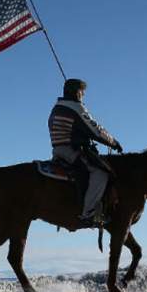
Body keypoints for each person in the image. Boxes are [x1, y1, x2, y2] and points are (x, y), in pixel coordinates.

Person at [47, 78, 123, 226]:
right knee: (100, 173)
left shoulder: (56, 108)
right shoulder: (76, 108)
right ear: (77, 92)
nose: (83, 95)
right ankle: (89, 213)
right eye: (82, 92)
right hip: (71, 150)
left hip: (58, 149)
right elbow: (95, 130)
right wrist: (113, 143)